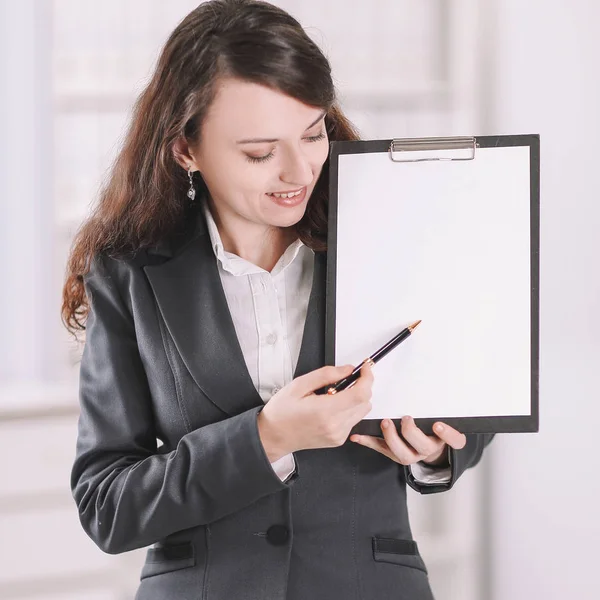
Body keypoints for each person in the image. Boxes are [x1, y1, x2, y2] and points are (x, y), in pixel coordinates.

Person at [62, 1, 495, 598]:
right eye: (260, 152)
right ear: (186, 150)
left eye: (313, 134)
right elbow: (107, 505)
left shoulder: (392, 232)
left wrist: (435, 452)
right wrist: (266, 437)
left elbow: (466, 403)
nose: (300, 170)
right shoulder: (129, 274)